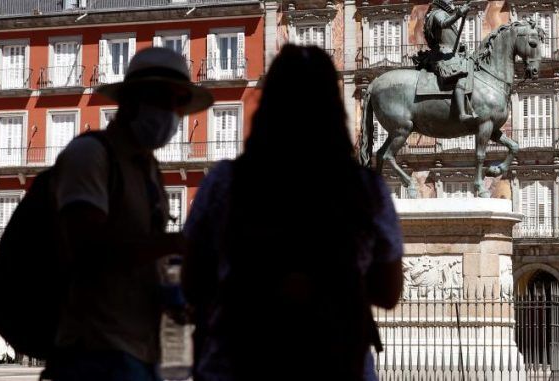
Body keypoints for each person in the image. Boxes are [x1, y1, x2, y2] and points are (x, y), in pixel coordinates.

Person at [182, 44, 404, 381]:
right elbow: (388, 293)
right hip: (336, 362)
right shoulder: (365, 189)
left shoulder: (225, 183)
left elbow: (193, 282)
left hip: (240, 361)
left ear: (268, 104)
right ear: (334, 107)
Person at [45, 47, 213, 381]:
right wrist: (170, 244)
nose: (173, 114)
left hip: (142, 350)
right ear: (134, 99)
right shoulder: (89, 156)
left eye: (179, 105)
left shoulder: (147, 170)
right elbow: (85, 249)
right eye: (166, 100)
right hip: (95, 350)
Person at [422, 0, 476, 124]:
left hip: (450, 53)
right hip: (443, 55)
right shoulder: (437, 13)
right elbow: (443, 23)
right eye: (449, 0)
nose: (451, 2)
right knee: (461, 76)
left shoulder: (442, 13)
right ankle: (462, 113)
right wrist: (458, 14)